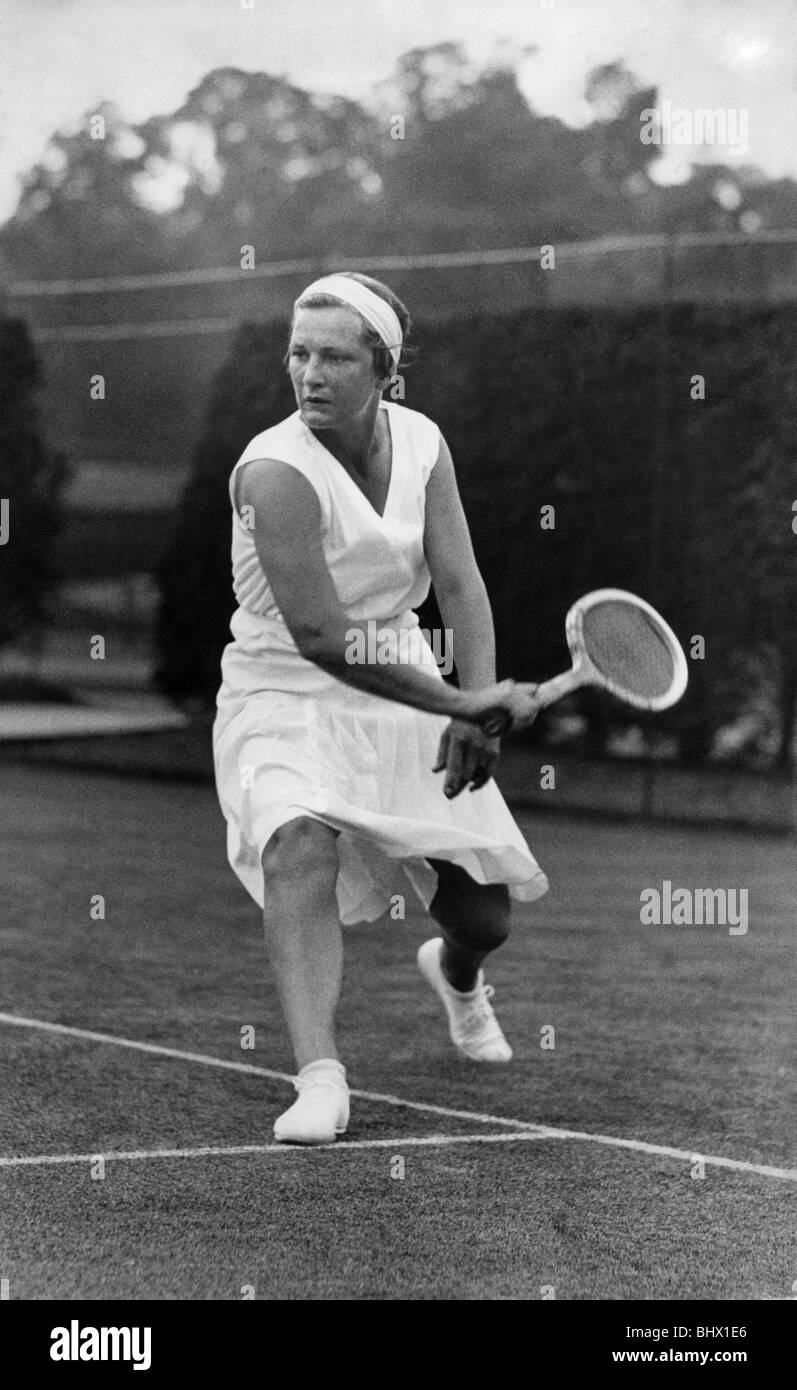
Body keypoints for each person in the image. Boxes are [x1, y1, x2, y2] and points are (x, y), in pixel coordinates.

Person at [212, 271, 547, 1144]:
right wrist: (464, 697)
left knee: (484, 918)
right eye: (298, 353)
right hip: (280, 691)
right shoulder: (274, 470)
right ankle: (320, 1077)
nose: (308, 373)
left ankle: (457, 976)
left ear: (383, 370)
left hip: (401, 675)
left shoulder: (424, 442)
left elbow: (462, 585)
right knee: (296, 844)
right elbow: (323, 638)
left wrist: (474, 712)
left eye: (332, 356)